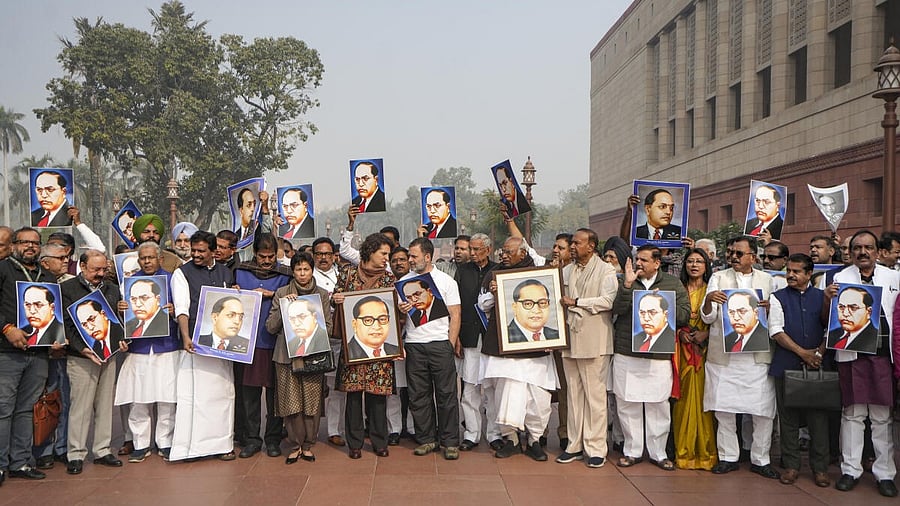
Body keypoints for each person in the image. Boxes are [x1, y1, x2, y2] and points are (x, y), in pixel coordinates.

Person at [828, 230, 900, 497]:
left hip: (882, 355)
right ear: (851, 252)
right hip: (852, 355)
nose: (863, 252)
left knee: (882, 417)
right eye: (857, 248)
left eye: (868, 247)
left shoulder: (894, 278)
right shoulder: (839, 278)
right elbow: (828, 319)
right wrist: (828, 298)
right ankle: (850, 470)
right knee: (852, 415)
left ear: (878, 251)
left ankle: (885, 474)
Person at [701, 236, 779, 479]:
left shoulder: (768, 280)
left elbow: (777, 316)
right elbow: (708, 318)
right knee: (724, 409)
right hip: (725, 356)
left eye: (738, 254)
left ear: (753, 257)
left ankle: (760, 458)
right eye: (731, 253)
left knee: (762, 410)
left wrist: (769, 309)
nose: (733, 257)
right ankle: (728, 457)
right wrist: (708, 301)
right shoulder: (718, 277)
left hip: (756, 356)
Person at [479, 236, 558, 462]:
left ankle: (534, 440)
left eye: (508, 252)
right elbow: (483, 304)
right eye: (502, 252)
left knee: (538, 399)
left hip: (535, 350)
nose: (503, 255)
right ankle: (511, 439)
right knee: (505, 395)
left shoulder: (539, 272)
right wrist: (495, 292)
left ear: (522, 254)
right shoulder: (494, 274)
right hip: (505, 347)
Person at [611, 245, 689, 471]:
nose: (639, 264)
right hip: (628, 351)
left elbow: (684, 315)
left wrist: (664, 303)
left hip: (658, 353)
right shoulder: (625, 280)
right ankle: (632, 450)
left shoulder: (672, 284)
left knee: (658, 404)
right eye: (637, 259)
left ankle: (658, 452)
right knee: (627, 402)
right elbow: (617, 309)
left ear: (657, 263)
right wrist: (626, 285)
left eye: (644, 260)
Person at [169, 230, 237, 461]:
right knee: (196, 397)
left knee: (223, 395)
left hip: (221, 346)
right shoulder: (182, 273)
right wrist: (186, 337)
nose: (196, 255)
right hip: (196, 344)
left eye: (201, 251)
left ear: (212, 252)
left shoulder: (225, 272)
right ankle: (193, 448)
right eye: (193, 250)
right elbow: (182, 308)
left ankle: (223, 444)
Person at [554, 228, 618, 469]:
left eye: (578, 243)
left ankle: (596, 448)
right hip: (571, 340)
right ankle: (574, 445)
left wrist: (578, 302)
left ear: (591, 246)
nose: (573, 246)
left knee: (595, 397)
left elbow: (608, 301)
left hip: (595, 340)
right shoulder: (566, 270)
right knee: (574, 395)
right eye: (572, 243)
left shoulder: (606, 270)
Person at [113, 241, 180, 463]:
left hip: (166, 345)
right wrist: (120, 309)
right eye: (143, 258)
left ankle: (165, 442)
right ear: (138, 260)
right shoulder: (128, 284)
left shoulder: (172, 280)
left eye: (151, 257)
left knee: (167, 398)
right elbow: (121, 320)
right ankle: (141, 444)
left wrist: (174, 311)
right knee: (138, 399)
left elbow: (185, 311)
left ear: (160, 258)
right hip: (139, 348)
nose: (147, 261)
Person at [768, 253, 831, 487]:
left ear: (808, 274)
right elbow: (775, 330)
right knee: (788, 420)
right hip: (787, 365)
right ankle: (792, 466)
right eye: (789, 271)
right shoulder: (777, 297)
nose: (791, 275)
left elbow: (831, 328)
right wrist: (803, 353)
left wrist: (818, 354)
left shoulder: (823, 298)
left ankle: (820, 469)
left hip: (817, 366)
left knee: (818, 420)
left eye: (796, 271)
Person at [61, 250, 126, 475]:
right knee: (81, 406)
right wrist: (82, 349)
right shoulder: (67, 290)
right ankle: (76, 454)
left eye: (103, 269)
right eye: (95, 270)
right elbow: (66, 324)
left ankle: (102, 450)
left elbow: (116, 322)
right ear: (81, 266)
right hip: (81, 357)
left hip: (109, 355)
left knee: (106, 403)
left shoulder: (112, 289)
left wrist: (121, 341)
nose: (100, 274)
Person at [0, 227, 57, 483]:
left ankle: (20, 462)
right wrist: (6, 328)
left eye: (35, 243)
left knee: (26, 409)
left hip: (40, 353)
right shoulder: (3, 269)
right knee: (3, 408)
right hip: (7, 351)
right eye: (25, 242)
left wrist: (57, 337)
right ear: (14, 245)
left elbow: (55, 314)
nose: (30, 247)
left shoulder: (47, 275)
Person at [397, 237, 462, 460]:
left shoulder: (446, 282)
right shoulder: (403, 282)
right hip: (414, 344)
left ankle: (450, 441)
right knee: (418, 395)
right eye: (409, 256)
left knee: (446, 394)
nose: (410, 260)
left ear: (427, 256)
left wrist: (449, 344)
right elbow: (398, 316)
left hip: (439, 344)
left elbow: (455, 314)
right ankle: (427, 439)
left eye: (414, 256)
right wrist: (402, 309)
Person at [332, 233, 396, 459]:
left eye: (388, 254)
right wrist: (337, 298)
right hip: (354, 347)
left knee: (378, 397)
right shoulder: (348, 273)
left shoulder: (389, 280)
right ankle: (355, 443)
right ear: (370, 251)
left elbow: (393, 311)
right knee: (353, 396)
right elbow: (334, 296)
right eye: (383, 253)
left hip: (379, 347)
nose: (386, 258)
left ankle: (380, 441)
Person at [266, 251, 332, 464]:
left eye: (306, 269)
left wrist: (315, 336)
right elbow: (270, 327)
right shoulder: (282, 292)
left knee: (311, 403)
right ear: (292, 271)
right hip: (286, 357)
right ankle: (294, 445)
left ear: (312, 270)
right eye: (298, 269)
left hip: (313, 355)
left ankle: (308, 445)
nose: (302, 274)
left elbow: (328, 327)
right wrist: (284, 307)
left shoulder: (321, 294)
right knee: (291, 403)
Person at [233, 234, 291, 458]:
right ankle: (252, 439)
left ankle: (273, 439)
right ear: (255, 254)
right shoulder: (241, 272)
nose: (266, 261)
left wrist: (271, 294)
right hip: (248, 342)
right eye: (262, 256)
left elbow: (294, 295)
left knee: (274, 395)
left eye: (270, 257)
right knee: (250, 395)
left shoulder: (284, 275)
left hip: (275, 342)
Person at [672, 248, 718, 470]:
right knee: (681, 401)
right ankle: (683, 452)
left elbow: (720, 321)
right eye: (690, 261)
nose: (694, 265)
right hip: (681, 351)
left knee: (704, 401)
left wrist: (706, 334)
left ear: (706, 266)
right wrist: (680, 333)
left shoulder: (713, 290)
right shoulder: (677, 289)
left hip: (706, 352)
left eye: (699, 261)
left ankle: (706, 453)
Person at [454, 233, 499, 451]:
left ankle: (494, 433)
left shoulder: (498, 271)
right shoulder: (462, 272)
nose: (472, 253)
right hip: (469, 337)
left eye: (477, 249)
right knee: (470, 388)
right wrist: (456, 338)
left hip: (492, 339)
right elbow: (456, 307)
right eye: (470, 249)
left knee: (491, 389)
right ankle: (471, 433)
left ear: (488, 250)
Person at [310, 237, 346, 447]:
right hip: (313, 338)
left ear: (334, 256)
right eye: (319, 254)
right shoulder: (305, 275)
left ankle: (334, 430)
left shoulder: (343, 276)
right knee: (312, 386)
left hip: (337, 340)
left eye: (327, 254)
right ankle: (309, 431)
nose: (323, 258)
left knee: (334, 387)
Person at [827, 287, 878, 352]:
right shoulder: (832, 335)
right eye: (841, 307)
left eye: (853, 308)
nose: (845, 313)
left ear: (868, 312)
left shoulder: (874, 339)